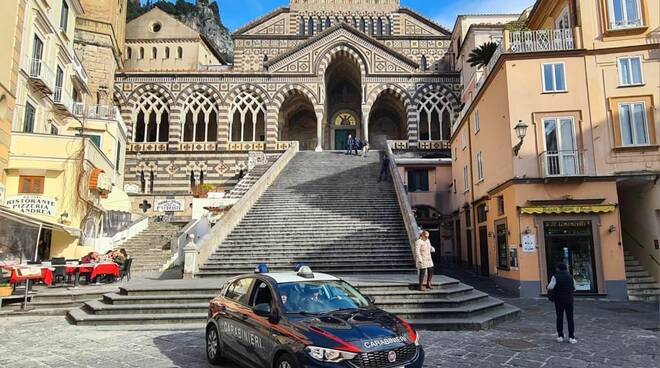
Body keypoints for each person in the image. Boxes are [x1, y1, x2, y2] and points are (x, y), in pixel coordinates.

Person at [548, 262, 577, 344]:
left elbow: (550, 287)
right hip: (569, 300)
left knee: (559, 317)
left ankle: (560, 336)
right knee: (570, 318)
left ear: (558, 268)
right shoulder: (570, 277)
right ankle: (571, 337)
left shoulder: (555, 277)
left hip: (559, 300)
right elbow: (575, 288)